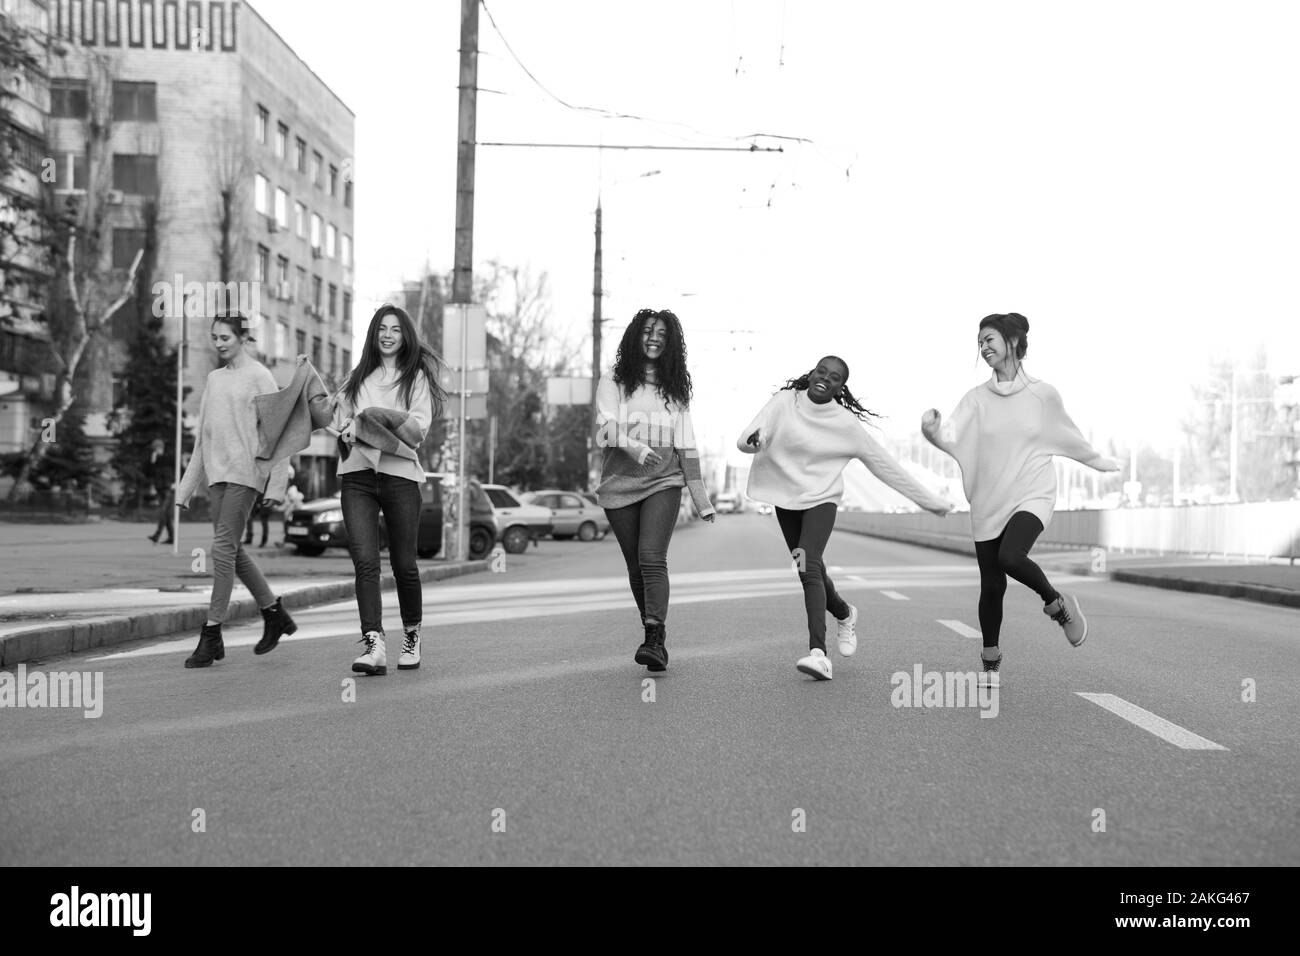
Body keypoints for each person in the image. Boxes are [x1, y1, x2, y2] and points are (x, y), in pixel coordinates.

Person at [922, 313, 1121, 680]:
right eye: (980, 341)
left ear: (1012, 342)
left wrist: (1099, 462)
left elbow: (1068, 434)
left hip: (1033, 492)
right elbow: (951, 434)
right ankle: (990, 656)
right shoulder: (976, 399)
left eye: (990, 339)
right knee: (992, 584)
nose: (983, 347)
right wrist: (932, 430)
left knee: (1011, 556)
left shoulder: (1043, 395)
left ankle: (1056, 604)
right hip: (989, 498)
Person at [739, 355, 951, 681]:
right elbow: (749, 435)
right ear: (811, 374)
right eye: (821, 371)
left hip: (822, 499)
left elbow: (887, 468)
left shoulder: (846, 426)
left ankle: (818, 654)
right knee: (807, 567)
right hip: (786, 498)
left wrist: (932, 503)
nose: (826, 378)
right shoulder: (784, 402)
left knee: (808, 564)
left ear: (841, 387)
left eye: (835, 377)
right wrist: (753, 442)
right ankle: (845, 613)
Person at [595, 308, 714, 673]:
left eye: (662, 333)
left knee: (651, 558)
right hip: (620, 484)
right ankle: (650, 627)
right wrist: (634, 448)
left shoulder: (674, 388)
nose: (655, 338)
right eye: (648, 331)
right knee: (635, 567)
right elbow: (605, 427)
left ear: (670, 343)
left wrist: (700, 497)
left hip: (664, 481)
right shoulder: (613, 380)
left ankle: (654, 638)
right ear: (636, 336)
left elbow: (686, 444)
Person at [176, 313, 298, 667]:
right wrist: (185, 488)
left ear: (243, 338)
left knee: (221, 549)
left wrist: (277, 484)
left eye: (225, 337)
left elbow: (280, 434)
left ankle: (211, 633)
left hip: (246, 474)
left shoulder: (261, 377)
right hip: (218, 476)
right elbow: (203, 439)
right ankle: (275, 613)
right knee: (232, 550)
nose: (218, 343)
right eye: (214, 337)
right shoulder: (214, 380)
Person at [332, 305, 445, 676]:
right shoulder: (357, 377)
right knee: (365, 562)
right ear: (373, 334)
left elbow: (417, 432)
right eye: (382, 328)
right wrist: (347, 426)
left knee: (404, 564)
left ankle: (411, 634)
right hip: (357, 476)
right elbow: (340, 420)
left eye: (395, 329)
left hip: (400, 477)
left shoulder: (415, 379)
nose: (388, 334)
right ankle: (374, 643)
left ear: (405, 336)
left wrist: (379, 418)